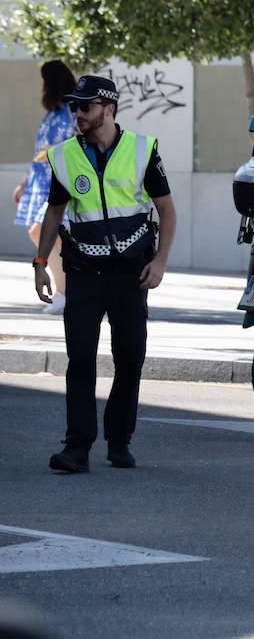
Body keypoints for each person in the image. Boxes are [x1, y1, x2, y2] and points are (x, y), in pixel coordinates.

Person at [33, 75, 178, 474]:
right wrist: (41, 263)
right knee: (80, 358)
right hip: (82, 271)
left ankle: (119, 439)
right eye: (73, 107)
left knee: (129, 358)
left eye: (85, 106)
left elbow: (166, 211)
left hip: (131, 273)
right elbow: (55, 212)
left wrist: (161, 262)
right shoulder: (64, 155)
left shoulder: (142, 150)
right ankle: (76, 447)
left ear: (109, 109)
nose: (77, 113)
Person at [13, 61, 76, 315]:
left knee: (41, 233)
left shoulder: (71, 112)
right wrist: (24, 182)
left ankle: (64, 294)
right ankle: (65, 293)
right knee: (47, 236)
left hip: (58, 185)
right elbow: (39, 151)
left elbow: (73, 147)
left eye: (43, 80)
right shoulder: (53, 113)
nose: (40, 85)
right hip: (42, 184)